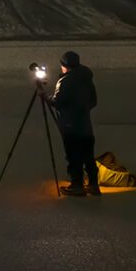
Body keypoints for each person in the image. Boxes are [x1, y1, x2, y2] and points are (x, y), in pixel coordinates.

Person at [48, 50, 100, 197]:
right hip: (85, 124)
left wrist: (45, 96)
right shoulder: (86, 78)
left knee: (73, 155)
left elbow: (57, 102)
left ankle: (77, 185)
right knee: (88, 155)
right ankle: (93, 184)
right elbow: (93, 101)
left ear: (65, 65)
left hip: (71, 125)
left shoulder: (65, 81)